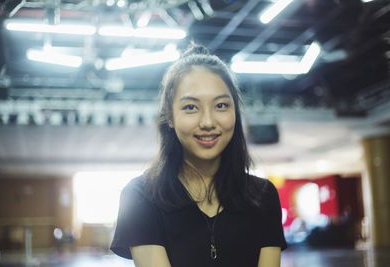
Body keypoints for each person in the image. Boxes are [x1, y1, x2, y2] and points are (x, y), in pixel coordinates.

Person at [110, 43, 287, 267]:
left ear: (236, 113)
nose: (208, 122)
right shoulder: (142, 196)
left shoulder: (262, 196)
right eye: (191, 108)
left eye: (221, 105)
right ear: (170, 118)